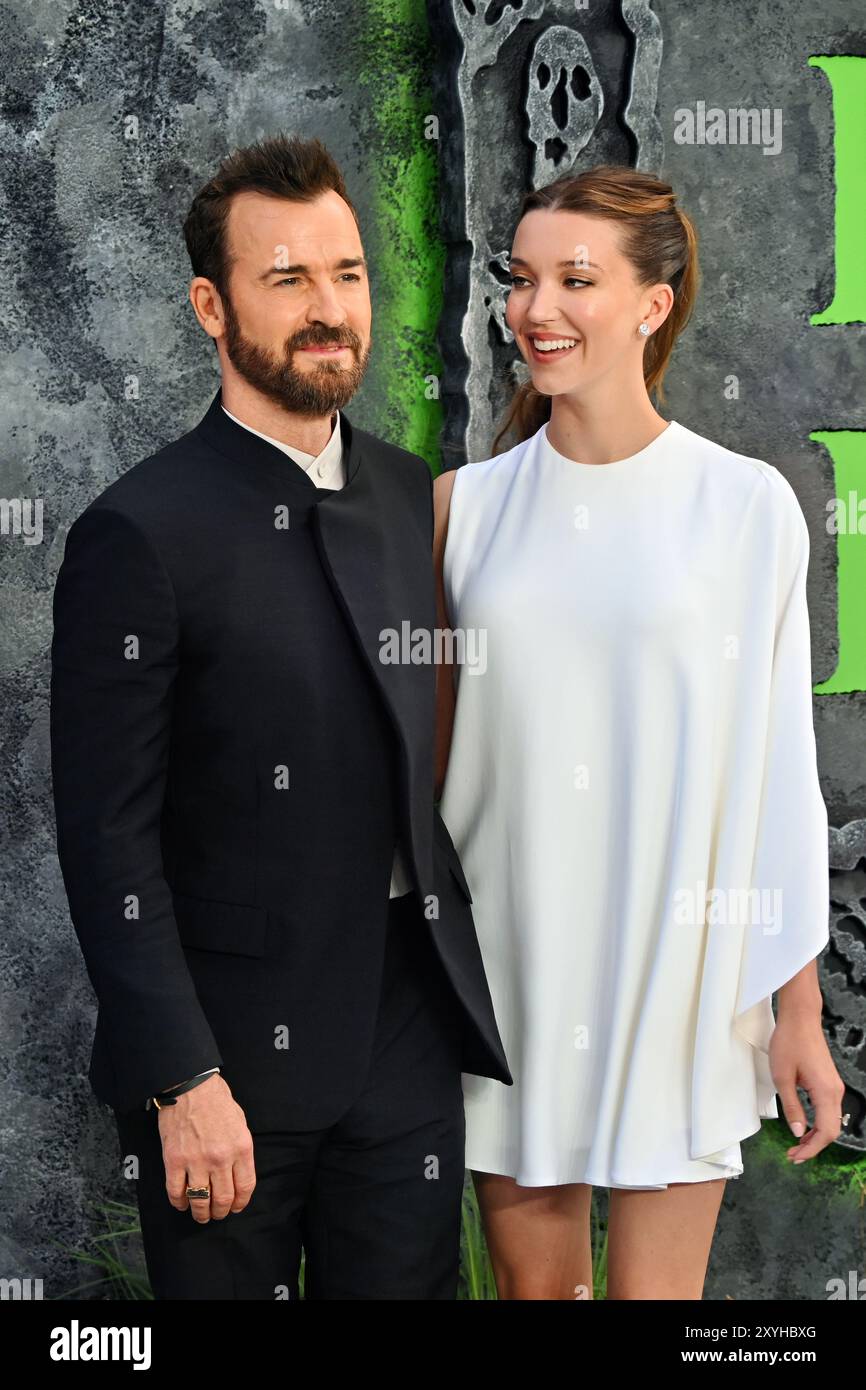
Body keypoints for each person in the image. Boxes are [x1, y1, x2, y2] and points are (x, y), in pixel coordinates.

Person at [50, 132, 511, 1301]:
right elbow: (106, 838)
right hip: (229, 1065)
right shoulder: (138, 530)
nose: (328, 309)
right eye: (286, 278)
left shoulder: (409, 491)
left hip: (404, 1039)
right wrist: (179, 1079)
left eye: (346, 273)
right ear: (211, 306)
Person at [432, 164, 846, 1300]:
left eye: (576, 278)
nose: (535, 308)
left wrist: (793, 1012)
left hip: (687, 976)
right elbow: (419, 776)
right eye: (522, 279)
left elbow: (775, 777)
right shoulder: (460, 510)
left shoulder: (745, 505)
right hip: (509, 976)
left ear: (651, 305)